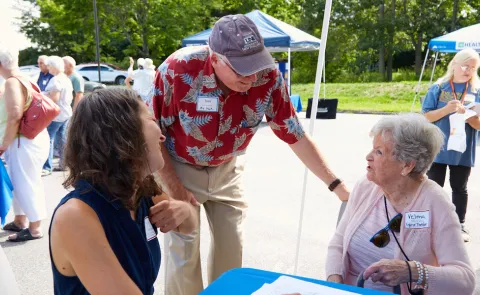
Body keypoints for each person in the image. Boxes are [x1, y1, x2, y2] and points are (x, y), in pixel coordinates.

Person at [152, 14, 350, 295]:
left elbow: (294, 134)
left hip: (228, 168)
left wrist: (337, 187)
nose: (252, 76)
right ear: (215, 58)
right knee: (184, 252)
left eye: (255, 65)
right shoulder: (177, 69)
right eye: (241, 69)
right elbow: (150, 134)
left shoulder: (268, 78)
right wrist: (173, 188)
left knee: (232, 250)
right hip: (180, 167)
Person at [49, 88, 198, 295]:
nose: (162, 136)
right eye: (151, 120)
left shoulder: (142, 189)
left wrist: (183, 209)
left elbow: (189, 226)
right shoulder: (76, 216)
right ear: (124, 133)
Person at [325, 113, 475, 295]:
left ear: (407, 166)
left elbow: (465, 280)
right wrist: (335, 285)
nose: (368, 156)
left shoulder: (436, 202)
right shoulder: (366, 186)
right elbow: (338, 243)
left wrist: (413, 271)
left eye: (379, 152)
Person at [422, 48, 480, 242]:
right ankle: (431, 222)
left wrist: (469, 118)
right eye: (465, 65)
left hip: (463, 150)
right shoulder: (439, 88)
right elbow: (426, 117)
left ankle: (459, 225)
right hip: (439, 147)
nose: (468, 70)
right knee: (434, 186)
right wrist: (447, 109)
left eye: (473, 67)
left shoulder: (477, 91)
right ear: (454, 64)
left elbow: (479, 124)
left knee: (459, 187)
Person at [0, 44, 50, 241]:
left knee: (26, 183)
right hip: (29, 140)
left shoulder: (13, 82)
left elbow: (14, 117)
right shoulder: (24, 80)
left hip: (23, 141)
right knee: (20, 181)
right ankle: (21, 220)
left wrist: (3, 144)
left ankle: (35, 227)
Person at [41, 56, 73, 175]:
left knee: (48, 139)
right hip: (66, 112)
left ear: (53, 66)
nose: (47, 67)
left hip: (56, 115)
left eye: (49, 65)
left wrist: (42, 96)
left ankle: (47, 167)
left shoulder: (55, 80)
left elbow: (54, 98)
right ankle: (64, 164)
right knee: (62, 139)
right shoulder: (65, 78)